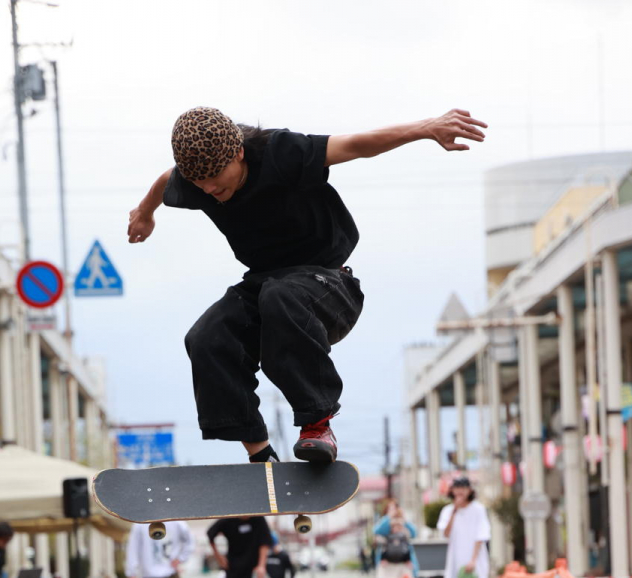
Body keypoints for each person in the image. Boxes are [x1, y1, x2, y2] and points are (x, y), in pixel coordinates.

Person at [128, 107, 486, 466]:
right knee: (208, 336)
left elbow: (357, 144)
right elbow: (166, 180)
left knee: (280, 296)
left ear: (238, 153)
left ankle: (317, 425)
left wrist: (426, 128)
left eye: (216, 179)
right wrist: (145, 213)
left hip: (329, 285)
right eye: (199, 183)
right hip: (265, 285)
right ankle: (261, 455)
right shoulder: (196, 181)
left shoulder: (281, 153)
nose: (209, 190)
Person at [436, 476, 492, 578]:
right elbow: (445, 533)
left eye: (463, 488)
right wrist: (454, 510)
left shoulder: (478, 509)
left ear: (470, 490)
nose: (460, 491)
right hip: (456, 561)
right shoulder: (448, 510)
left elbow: (481, 534)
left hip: (475, 561)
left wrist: (473, 559)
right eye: (457, 488)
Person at [374, 505, 419, 578]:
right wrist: (388, 517)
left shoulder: (404, 523)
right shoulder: (386, 524)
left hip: (404, 563)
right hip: (388, 564)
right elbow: (377, 531)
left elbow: (414, 533)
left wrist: (404, 519)